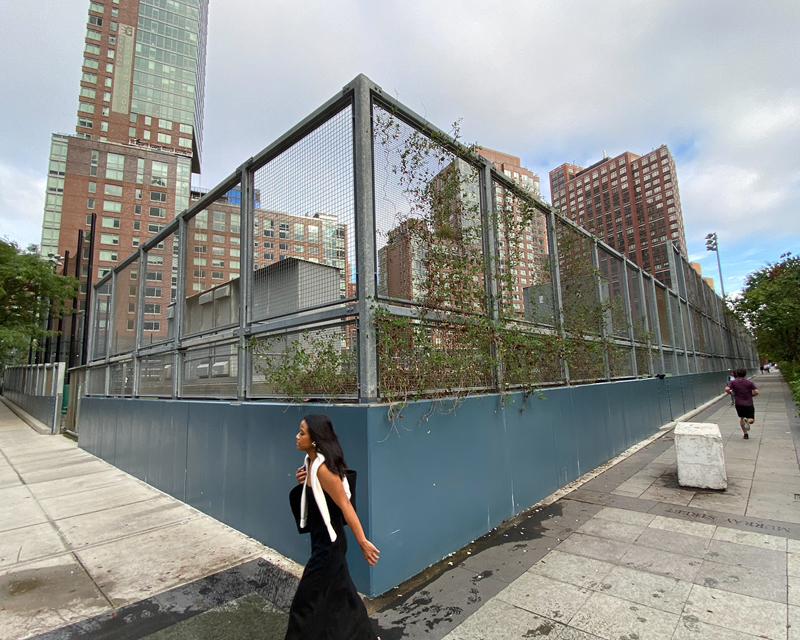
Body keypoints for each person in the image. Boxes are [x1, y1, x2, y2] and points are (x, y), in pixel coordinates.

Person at [285, 414, 381, 640]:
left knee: (305, 603)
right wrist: (304, 481)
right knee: (343, 597)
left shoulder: (323, 470)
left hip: (328, 548)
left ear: (315, 439)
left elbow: (346, 506)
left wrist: (363, 543)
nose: (297, 437)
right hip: (323, 543)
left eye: (302, 432)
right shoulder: (310, 464)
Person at [725, 369, 759, 439]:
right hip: (749, 403)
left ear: (736, 374)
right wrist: (752, 395)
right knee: (751, 419)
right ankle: (748, 421)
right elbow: (756, 391)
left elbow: (727, 389)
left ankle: (745, 434)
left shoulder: (733, 382)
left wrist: (730, 393)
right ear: (745, 374)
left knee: (742, 418)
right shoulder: (749, 382)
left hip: (738, 403)